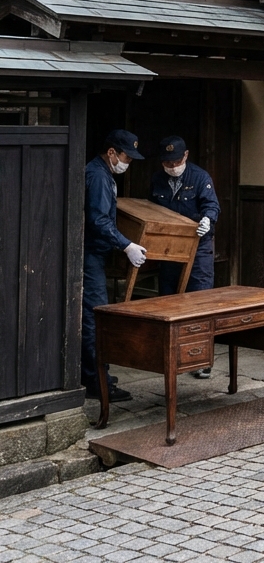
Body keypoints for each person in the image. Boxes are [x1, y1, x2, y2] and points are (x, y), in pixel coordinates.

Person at [82, 129, 147, 402]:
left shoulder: (102, 173)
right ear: (111, 152)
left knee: (94, 315)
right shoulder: (98, 176)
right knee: (95, 318)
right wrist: (126, 245)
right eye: (126, 157)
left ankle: (93, 374)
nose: (127, 163)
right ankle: (98, 382)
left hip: (95, 254)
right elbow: (98, 220)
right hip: (90, 255)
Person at [150, 136, 221, 378]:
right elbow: (151, 208)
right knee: (169, 300)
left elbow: (212, 206)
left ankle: (201, 358)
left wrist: (207, 220)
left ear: (186, 156)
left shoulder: (200, 177)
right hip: (170, 247)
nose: (172, 167)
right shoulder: (158, 179)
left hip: (198, 246)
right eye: (167, 163)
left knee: (199, 300)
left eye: (176, 162)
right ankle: (172, 354)